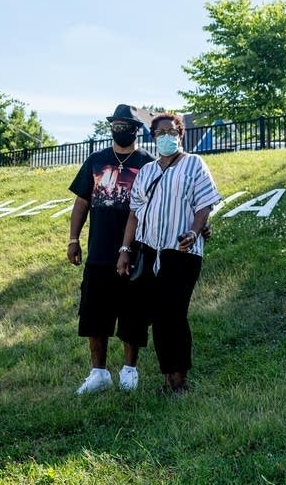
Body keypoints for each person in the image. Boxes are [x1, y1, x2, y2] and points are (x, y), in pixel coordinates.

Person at [117, 113, 221, 393]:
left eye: (171, 131)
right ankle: (166, 379)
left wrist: (195, 232)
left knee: (173, 314)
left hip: (181, 252)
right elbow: (134, 214)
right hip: (148, 250)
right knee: (154, 315)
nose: (166, 136)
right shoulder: (147, 172)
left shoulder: (194, 164)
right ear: (153, 137)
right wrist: (125, 250)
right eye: (160, 133)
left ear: (180, 134)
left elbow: (204, 205)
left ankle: (180, 380)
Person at [68, 104, 155, 395]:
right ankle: (99, 373)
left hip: (137, 251)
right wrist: (73, 239)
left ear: (135, 129)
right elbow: (81, 202)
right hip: (99, 251)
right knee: (94, 313)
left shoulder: (148, 163)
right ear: (111, 127)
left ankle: (130, 370)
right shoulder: (96, 160)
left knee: (133, 312)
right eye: (116, 123)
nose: (120, 128)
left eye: (126, 124)